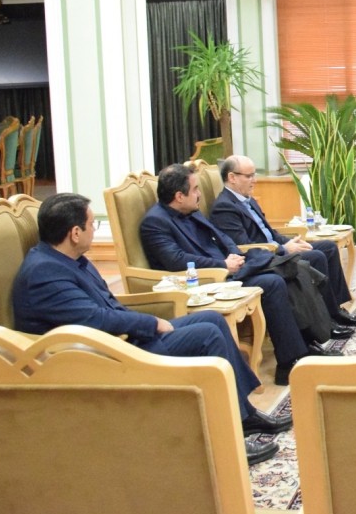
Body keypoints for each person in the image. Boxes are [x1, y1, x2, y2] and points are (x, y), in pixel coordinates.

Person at [11, 193, 287, 466]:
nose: (94, 230)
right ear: (74, 233)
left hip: (120, 339)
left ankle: (244, 416)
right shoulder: (44, 273)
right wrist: (151, 323)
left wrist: (145, 322)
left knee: (213, 319)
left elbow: (107, 307)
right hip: (104, 356)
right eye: (92, 224)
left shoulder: (68, 260)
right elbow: (94, 319)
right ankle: (227, 439)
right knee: (208, 335)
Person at [140, 163, 342, 386]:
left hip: (231, 267)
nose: (199, 194)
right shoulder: (155, 222)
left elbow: (222, 237)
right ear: (179, 196)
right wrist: (223, 264)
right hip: (207, 279)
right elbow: (176, 260)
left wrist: (234, 254)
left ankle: (306, 344)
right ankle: (288, 362)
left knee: (290, 268)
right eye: (195, 189)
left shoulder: (191, 210)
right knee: (273, 282)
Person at [209, 155, 356, 331]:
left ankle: (335, 309)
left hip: (276, 248)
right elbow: (244, 246)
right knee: (316, 256)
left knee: (328, 247)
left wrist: (290, 241)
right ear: (232, 177)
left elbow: (269, 232)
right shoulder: (224, 207)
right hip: (264, 258)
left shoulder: (248, 199)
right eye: (249, 176)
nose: (254, 180)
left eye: (254, 175)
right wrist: (283, 248)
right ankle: (327, 321)